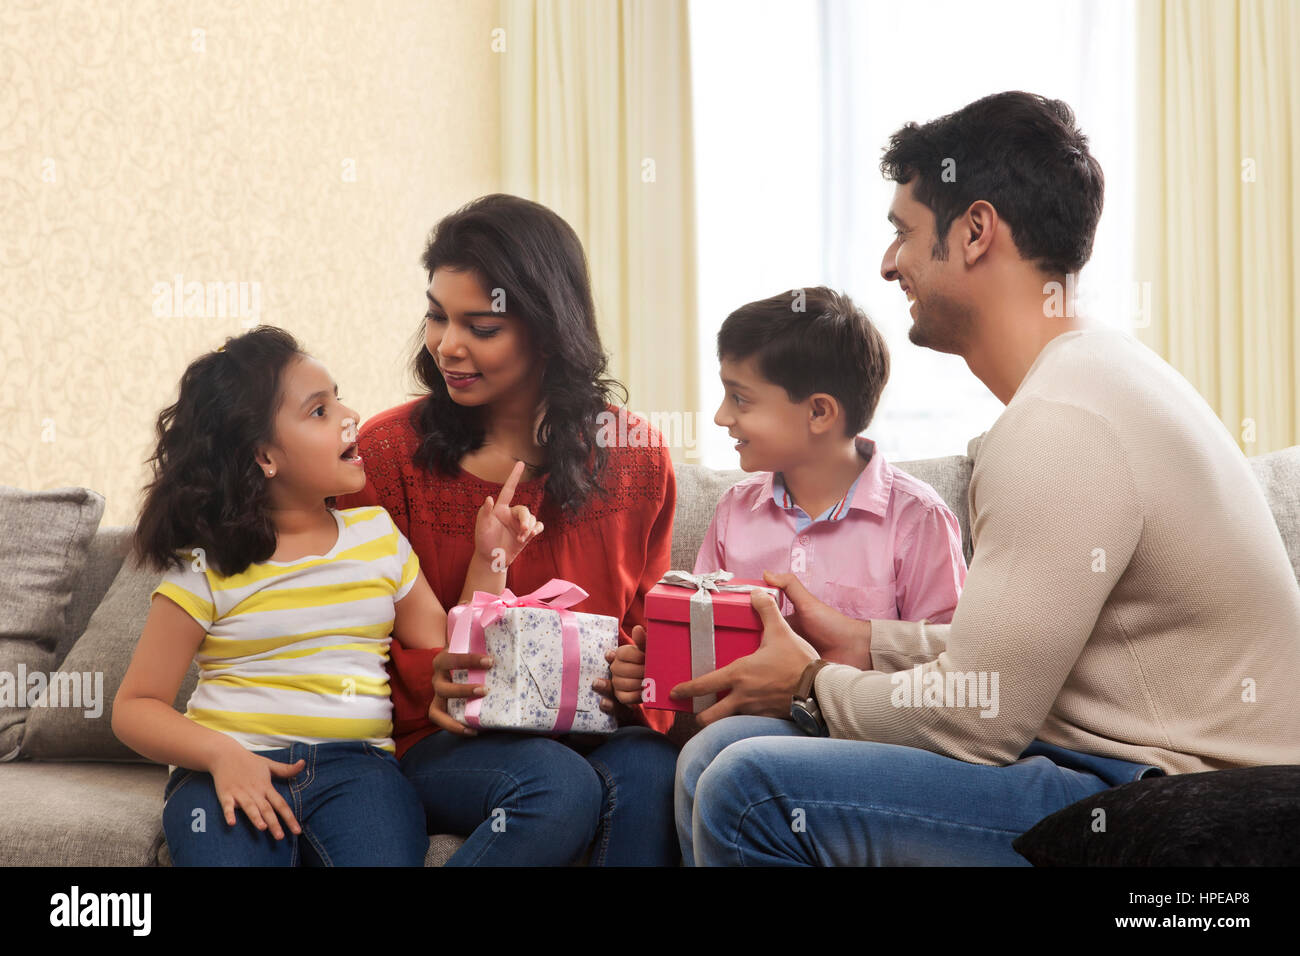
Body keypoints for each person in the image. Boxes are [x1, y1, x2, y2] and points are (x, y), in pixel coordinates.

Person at [670, 90, 1300, 865]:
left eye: (903, 232)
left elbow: (979, 715)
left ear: (975, 232)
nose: (888, 262)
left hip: (1174, 805)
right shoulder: (1096, 376)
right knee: (713, 758)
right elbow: (1015, 657)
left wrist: (808, 683)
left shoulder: (1065, 421)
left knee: (749, 789)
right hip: (1140, 766)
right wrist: (870, 644)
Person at [334, 193, 681, 866]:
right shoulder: (383, 456)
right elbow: (346, 635)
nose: (447, 346)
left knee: (651, 767)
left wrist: (643, 674)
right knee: (556, 781)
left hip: (597, 733)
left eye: (480, 326)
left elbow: (651, 630)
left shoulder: (637, 458)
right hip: (443, 745)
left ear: (549, 329)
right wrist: (430, 675)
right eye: (437, 316)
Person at [114, 326, 541, 866]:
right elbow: (135, 707)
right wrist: (221, 756)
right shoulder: (207, 563)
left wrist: (490, 560)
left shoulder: (377, 536)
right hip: (233, 764)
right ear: (264, 456)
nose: (349, 414)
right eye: (319, 411)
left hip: (358, 770)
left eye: (338, 397)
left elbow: (448, 646)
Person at [603, 286, 968, 862]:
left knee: (718, 750)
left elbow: (950, 677)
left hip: (866, 743)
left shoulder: (918, 520)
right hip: (734, 737)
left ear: (820, 411)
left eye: (740, 399)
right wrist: (650, 680)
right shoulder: (733, 512)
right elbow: (697, 691)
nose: (722, 416)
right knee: (706, 746)